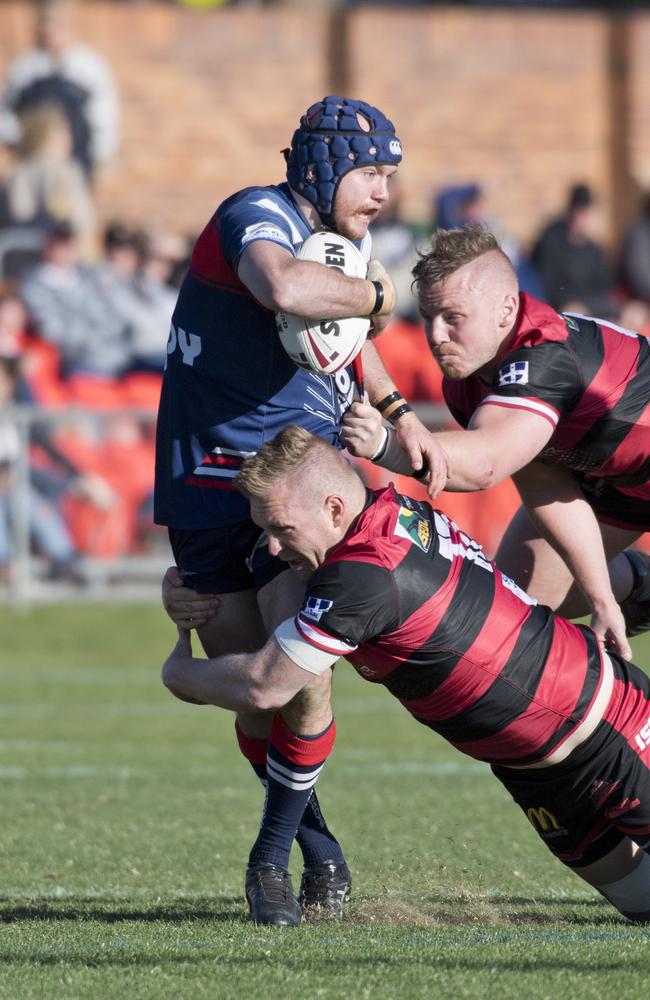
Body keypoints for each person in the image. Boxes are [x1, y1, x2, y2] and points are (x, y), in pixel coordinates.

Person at [154, 95, 447, 926]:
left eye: (392, 175)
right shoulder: (253, 217)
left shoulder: (344, 252)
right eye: (374, 172)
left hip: (300, 483)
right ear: (321, 166)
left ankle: (275, 857)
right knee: (255, 693)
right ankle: (316, 839)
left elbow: (352, 336)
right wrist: (378, 294)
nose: (385, 192)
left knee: (302, 677)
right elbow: (285, 285)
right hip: (209, 483)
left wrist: (394, 412)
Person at [163, 425, 650, 925]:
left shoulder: (361, 576)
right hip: (536, 773)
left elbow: (266, 685)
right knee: (643, 906)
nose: (270, 547)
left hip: (608, 728)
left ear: (334, 510)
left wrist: (180, 674)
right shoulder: (384, 513)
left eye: (281, 529)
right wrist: (181, 586)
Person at [341, 224, 650, 662]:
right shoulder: (469, 378)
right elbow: (546, 483)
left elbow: (487, 462)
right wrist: (602, 600)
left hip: (626, 471)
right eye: (429, 317)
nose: (435, 335)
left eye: (453, 317)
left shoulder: (543, 357)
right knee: (516, 595)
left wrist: (386, 446)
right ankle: (642, 585)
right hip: (618, 480)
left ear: (507, 309)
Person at [0, 0, 119, 181]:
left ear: (68, 26)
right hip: (31, 166)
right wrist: (16, 140)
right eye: (44, 25)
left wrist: (100, 154)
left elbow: (104, 116)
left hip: (76, 165)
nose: (48, 31)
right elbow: (6, 113)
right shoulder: (25, 68)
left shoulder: (89, 67)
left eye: (54, 25)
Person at [530, 182, 616, 317]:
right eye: (578, 211)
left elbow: (603, 290)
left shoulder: (594, 251)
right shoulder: (551, 243)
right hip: (559, 312)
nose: (581, 218)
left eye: (585, 212)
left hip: (590, 312)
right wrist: (567, 303)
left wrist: (587, 306)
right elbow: (546, 285)